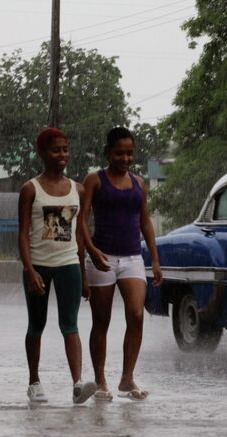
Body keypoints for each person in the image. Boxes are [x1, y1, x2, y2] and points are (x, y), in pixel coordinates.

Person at [79, 127, 162, 401]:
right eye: (119, 153)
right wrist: (91, 251)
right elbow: (81, 221)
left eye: (129, 153)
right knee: (101, 321)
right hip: (102, 258)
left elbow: (145, 222)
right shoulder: (95, 180)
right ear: (108, 153)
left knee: (136, 315)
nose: (125, 158)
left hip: (132, 258)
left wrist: (155, 259)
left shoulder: (139, 182)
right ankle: (101, 380)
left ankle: (127, 379)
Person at [18, 127, 98, 404]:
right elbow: (23, 233)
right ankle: (34, 381)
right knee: (36, 325)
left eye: (65, 149)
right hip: (38, 265)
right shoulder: (31, 189)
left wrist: (84, 274)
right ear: (42, 153)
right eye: (56, 150)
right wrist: (30, 271)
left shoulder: (78, 189)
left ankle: (77, 384)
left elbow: (79, 234)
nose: (62, 155)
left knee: (70, 325)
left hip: (68, 265)